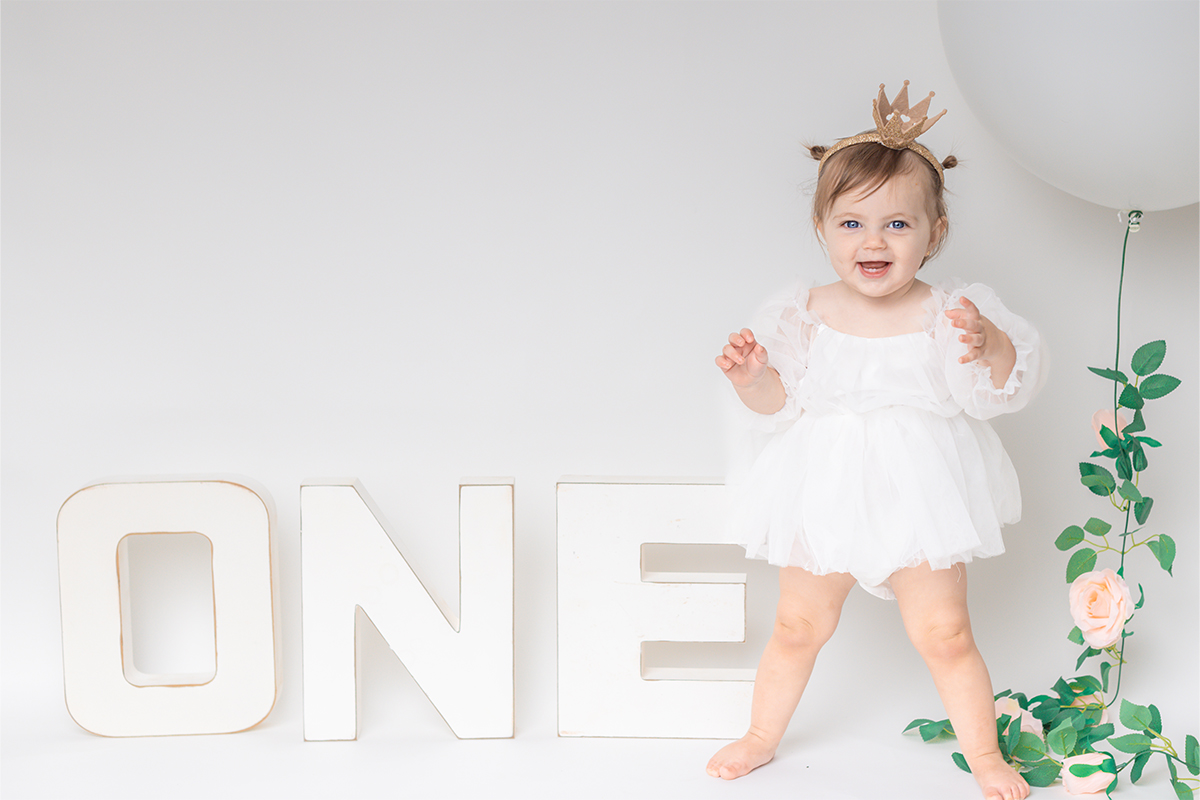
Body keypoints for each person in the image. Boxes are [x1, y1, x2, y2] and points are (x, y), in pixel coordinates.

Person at [707, 82, 1042, 800]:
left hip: (919, 491)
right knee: (797, 624)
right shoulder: (802, 311)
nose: (874, 242)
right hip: (822, 485)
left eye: (897, 224)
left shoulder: (949, 311)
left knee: (946, 632)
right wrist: (752, 376)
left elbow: (991, 395)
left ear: (935, 233)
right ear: (823, 229)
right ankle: (763, 734)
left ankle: (984, 755)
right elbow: (776, 406)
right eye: (852, 224)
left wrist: (993, 346)